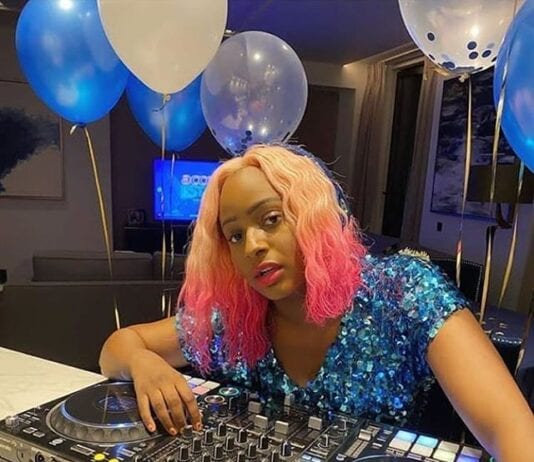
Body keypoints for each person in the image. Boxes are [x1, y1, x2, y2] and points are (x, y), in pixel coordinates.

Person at [100, 144, 534, 461]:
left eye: (271, 219)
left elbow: (511, 429)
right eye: (235, 235)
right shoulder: (231, 316)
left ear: (313, 216)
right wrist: (143, 363)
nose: (252, 245)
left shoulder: (403, 291)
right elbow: (117, 347)